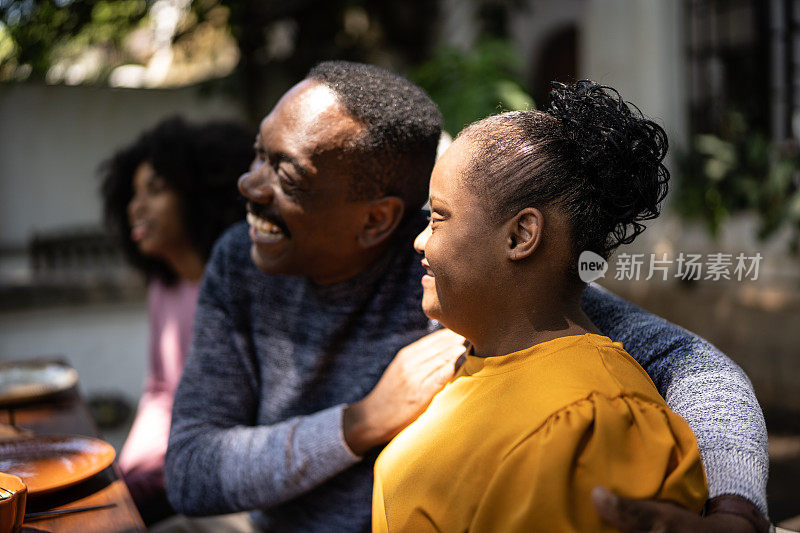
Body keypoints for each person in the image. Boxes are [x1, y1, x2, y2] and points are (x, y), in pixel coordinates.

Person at [164, 62, 770, 533]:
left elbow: (696, 372)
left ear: (378, 221)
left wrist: (735, 513)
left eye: (286, 174)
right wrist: (360, 422)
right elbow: (191, 469)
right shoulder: (238, 265)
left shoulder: (460, 277)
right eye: (256, 155)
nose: (248, 185)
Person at [373, 80, 708, 531]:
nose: (419, 241)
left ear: (520, 236)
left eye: (437, 218)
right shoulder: (473, 360)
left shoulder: (598, 423)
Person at [100, 115, 254, 525]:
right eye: (132, 194)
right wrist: (131, 470)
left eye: (156, 189)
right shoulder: (164, 288)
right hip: (178, 463)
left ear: (197, 194)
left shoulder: (243, 284)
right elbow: (161, 391)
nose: (137, 207)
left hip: (226, 468)